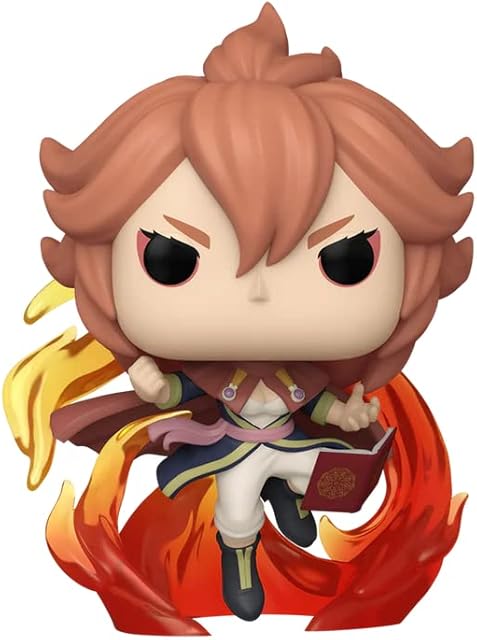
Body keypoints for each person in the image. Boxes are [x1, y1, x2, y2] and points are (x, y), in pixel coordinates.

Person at [4, 1, 473, 630]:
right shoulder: (213, 375)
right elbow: (176, 393)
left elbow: (321, 405)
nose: (258, 293)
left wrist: (351, 415)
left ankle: (292, 498)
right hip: (233, 452)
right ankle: (242, 562)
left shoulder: (304, 376)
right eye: (172, 258)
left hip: (295, 442)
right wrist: (152, 386)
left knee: (317, 473)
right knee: (237, 510)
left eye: (346, 259)